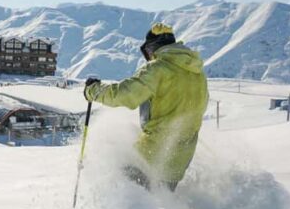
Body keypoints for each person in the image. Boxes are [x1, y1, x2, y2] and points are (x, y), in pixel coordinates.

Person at [84, 23, 208, 192]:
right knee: (160, 203)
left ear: (154, 46)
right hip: (181, 157)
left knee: (126, 196)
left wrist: (94, 91)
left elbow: (125, 94)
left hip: (151, 152)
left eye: (149, 52)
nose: (150, 56)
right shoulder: (197, 74)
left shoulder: (158, 69)